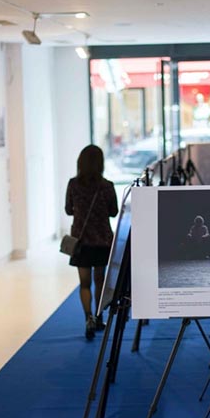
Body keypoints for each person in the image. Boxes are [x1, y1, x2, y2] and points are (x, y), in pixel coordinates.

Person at [65, 145, 119, 340]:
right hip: (102, 241)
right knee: (100, 281)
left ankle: (87, 318)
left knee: (84, 283)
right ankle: (98, 317)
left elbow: (68, 210)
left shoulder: (73, 184)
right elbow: (114, 212)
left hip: (82, 243)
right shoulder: (107, 186)